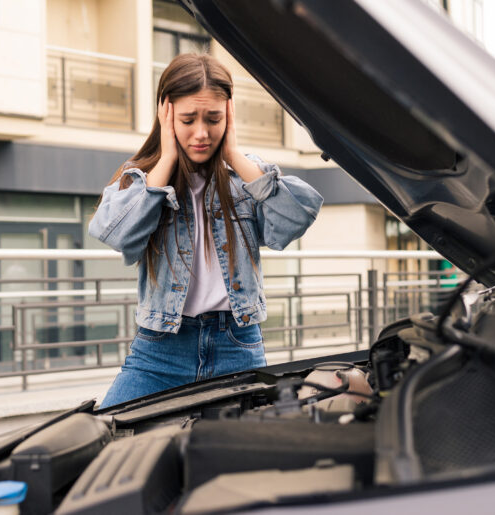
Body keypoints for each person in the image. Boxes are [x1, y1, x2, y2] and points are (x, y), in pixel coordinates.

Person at [89, 54, 323, 408]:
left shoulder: (246, 176)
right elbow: (116, 234)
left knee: (247, 452)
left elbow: (295, 218)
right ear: (165, 115)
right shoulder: (143, 177)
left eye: (213, 119)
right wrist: (166, 159)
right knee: (109, 432)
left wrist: (235, 154)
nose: (202, 133)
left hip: (237, 345)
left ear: (228, 116)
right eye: (187, 119)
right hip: (160, 350)